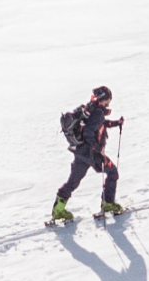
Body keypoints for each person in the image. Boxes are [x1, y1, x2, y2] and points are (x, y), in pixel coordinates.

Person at [52, 86, 125, 220]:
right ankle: (108, 204)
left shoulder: (90, 109)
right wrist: (96, 148)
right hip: (92, 154)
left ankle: (58, 210)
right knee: (112, 172)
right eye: (109, 98)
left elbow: (99, 124)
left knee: (73, 181)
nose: (109, 101)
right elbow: (89, 131)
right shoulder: (98, 113)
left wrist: (115, 123)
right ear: (105, 99)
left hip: (81, 153)